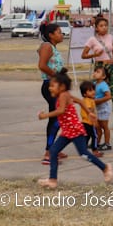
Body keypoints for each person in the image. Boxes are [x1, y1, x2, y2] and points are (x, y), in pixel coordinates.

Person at [37, 71, 113, 188]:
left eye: (53, 86)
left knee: (83, 153)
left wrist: (45, 115)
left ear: (62, 86)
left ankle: (105, 168)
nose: (50, 88)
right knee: (53, 151)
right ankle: (52, 180)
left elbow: (61, 110)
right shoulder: (65, 94)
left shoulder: (63, 95)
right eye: (50, 86)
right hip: (67, 132)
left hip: (75, 131)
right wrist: (89, 113)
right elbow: (81, 101)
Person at [36, 23, 68, 165]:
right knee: (55, 119)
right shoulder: (47, 46)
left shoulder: (51, 47)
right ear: (51, 35)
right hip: (50, 86)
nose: (62, 35)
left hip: (55, 87)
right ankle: (49, 153)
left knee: (58, 118)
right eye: (59, 32)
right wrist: (56, 76)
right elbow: (42, 65)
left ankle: (54, 147)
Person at [82, 16, 113, 129]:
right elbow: (83, 55)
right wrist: (95, 55)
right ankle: (93, 117)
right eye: (101, 26)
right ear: (96, 28)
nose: (104, 28)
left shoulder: (110, 37)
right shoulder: (92, 40)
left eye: (105, 25)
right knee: (95, 92)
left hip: (110, 66)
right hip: (99, 67)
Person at [78, 80, 103, 157]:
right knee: (95, 136)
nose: (93, 92)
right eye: (90, 90)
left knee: (87, 136)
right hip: (90, 122)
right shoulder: (88, 101)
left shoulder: (87, 100)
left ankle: (83, 149)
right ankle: (95, 150)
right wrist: (95, 122)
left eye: (93, 89)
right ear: (84, 94)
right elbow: (90, 111)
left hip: (85, 122)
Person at [93, 65, 113, 151]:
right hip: (96, 108)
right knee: (97, 127)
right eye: (95, 71)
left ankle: (107, 143)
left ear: (103, 76)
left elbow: (108, 96)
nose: (95, 73)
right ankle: (96, 142)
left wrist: (98, 101)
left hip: (103, 108)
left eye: (98, 72)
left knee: (104, 126)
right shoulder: (94, 84)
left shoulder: (103, 85)